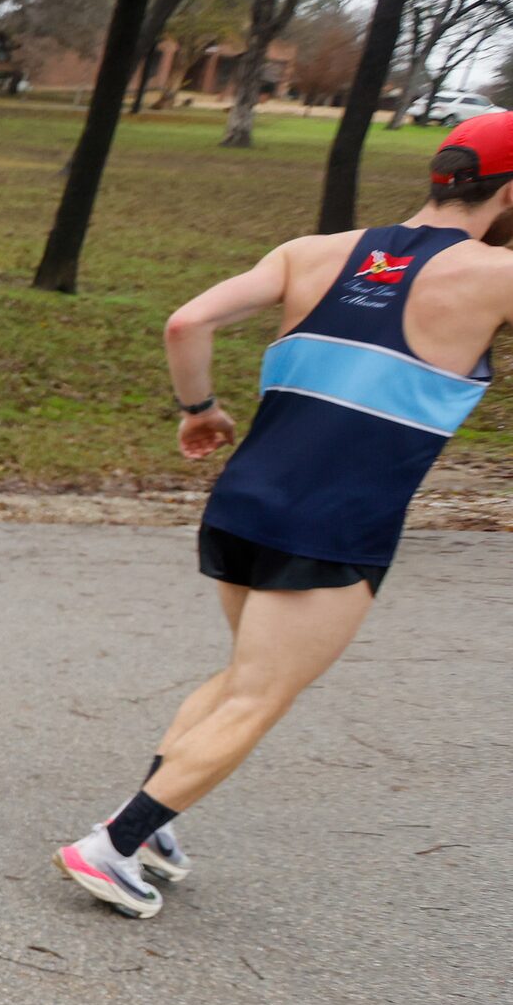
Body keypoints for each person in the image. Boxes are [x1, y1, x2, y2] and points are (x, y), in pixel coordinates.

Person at [54, 112, 511, 918]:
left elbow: (187, 321)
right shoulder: (494, 276)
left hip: (244, 501)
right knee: (260, 696)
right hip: (339, 523)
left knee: (242, 679)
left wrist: (199, 408)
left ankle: (155, 829)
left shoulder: (315, 251)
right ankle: (113, 845)